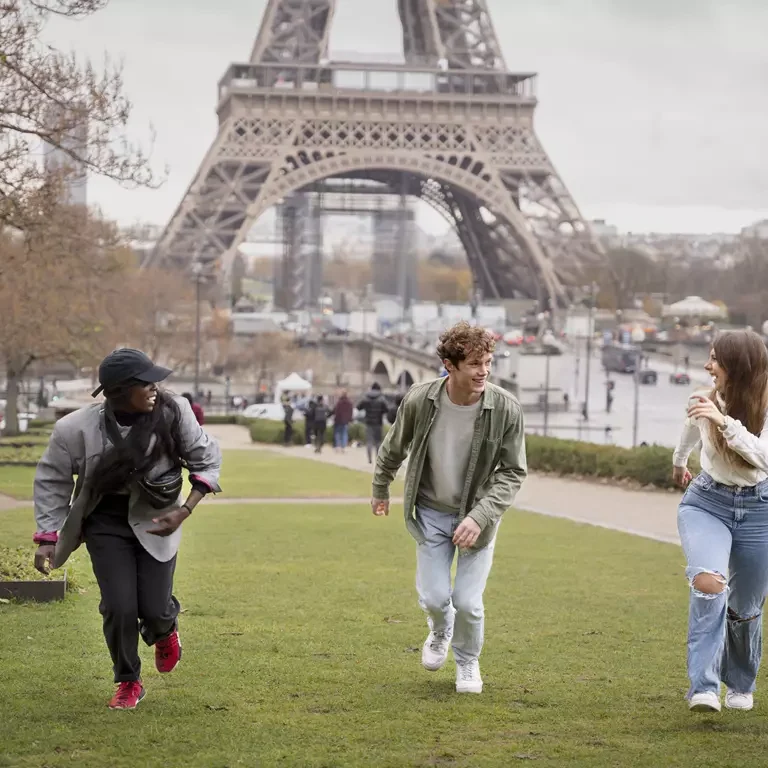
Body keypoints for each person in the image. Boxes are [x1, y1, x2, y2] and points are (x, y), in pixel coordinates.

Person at [32, 349, 222, 710]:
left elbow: (206, 459)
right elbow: (52, 480)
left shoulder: (174, 412)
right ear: (119, 391)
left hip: (158, 519)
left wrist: (185, 510)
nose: (155, 388)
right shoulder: (74, 429)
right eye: (144, 383)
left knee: (153, 607)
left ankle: (165, 629)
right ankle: (128, 680)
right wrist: (47, 537)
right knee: (119, 606)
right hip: (104, 521)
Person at [370, 322, 527, 694]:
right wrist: (380, 488)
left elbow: (513, 472)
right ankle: (440, 631)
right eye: (474, 363)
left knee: (468, 602)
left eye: (488, 362)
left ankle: (468, 661)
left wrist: (480, 515)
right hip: (430, 512)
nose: (484, 371)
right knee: (437, 598)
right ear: (449, 365)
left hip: (479, 518)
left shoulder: (505, 408)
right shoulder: (420, 400)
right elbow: (394, 447)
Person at [673, 330, 768, 713]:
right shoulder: (703, 400)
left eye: (715, 360)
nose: (707, 366)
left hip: (760, 509)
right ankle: (704, 686)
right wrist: (680, 461)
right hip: (707, 502)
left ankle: (740, 683)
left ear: (738, 367)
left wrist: (725, 421)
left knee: (745, 607)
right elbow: (688, 430)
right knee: (709, 583)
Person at [357, 382, 389, 464]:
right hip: (378, 422)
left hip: (368, 422)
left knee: (369, 441)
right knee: (378, 441)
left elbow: (358, 407)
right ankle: (377, 459)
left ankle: (369, 459)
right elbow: (386, 409)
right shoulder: (381, 398)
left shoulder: (366, 397)